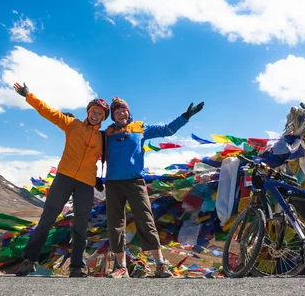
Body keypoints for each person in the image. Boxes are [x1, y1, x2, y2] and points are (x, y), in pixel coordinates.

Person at [13, 82, 109, 278]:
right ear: (88, 111)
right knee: (47, 219)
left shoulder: (103, 138)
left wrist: (97, 178)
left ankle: (77, 267)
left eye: (100, 113)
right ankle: (29, 261)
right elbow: (48, 112)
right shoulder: (72, 124)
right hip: (64, 177)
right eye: (93, 111)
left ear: (103, 118)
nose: (95, 115)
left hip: (85, 184)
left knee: (81, 224)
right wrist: (28, 95)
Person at [104, 97, 204, 278]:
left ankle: (160, 264)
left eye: (123, 110)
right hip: (112, 184)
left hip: (135, 182)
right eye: (116, 111)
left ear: (128, 111)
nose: (120, 113)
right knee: (115, 223)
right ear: (112, 115)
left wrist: (185, 116)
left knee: (145, 219)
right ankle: (121, 267)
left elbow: (167, 130)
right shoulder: (107, 133)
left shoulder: (140, 127)